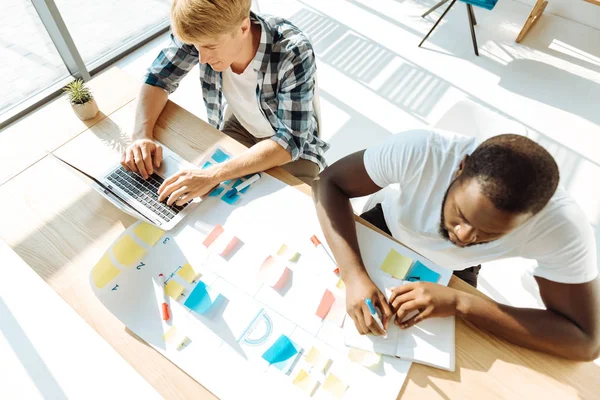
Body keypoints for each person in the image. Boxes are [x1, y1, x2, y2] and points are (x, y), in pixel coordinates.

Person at [312, 129, 600, 361]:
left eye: (488, 234)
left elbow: (585, 342)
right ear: (458, 169)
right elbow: (327, 182)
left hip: (454, 271)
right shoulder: (422, 151)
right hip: (388, 228)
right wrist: (353, 275)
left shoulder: (561, 227)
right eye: (461, 215)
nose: (462, 236)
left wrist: (462, 303)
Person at [122, 0, 328, 206]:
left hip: (293, 146)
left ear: (244, 27)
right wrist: (141, 136)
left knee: (290, 208)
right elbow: (158, 78)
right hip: (242, 124)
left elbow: (291, 140)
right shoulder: (203, 32)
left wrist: (213, 175)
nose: (201, 58)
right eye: (195, 47)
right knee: (206, 205)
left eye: (210, 47)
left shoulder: (292, 51)